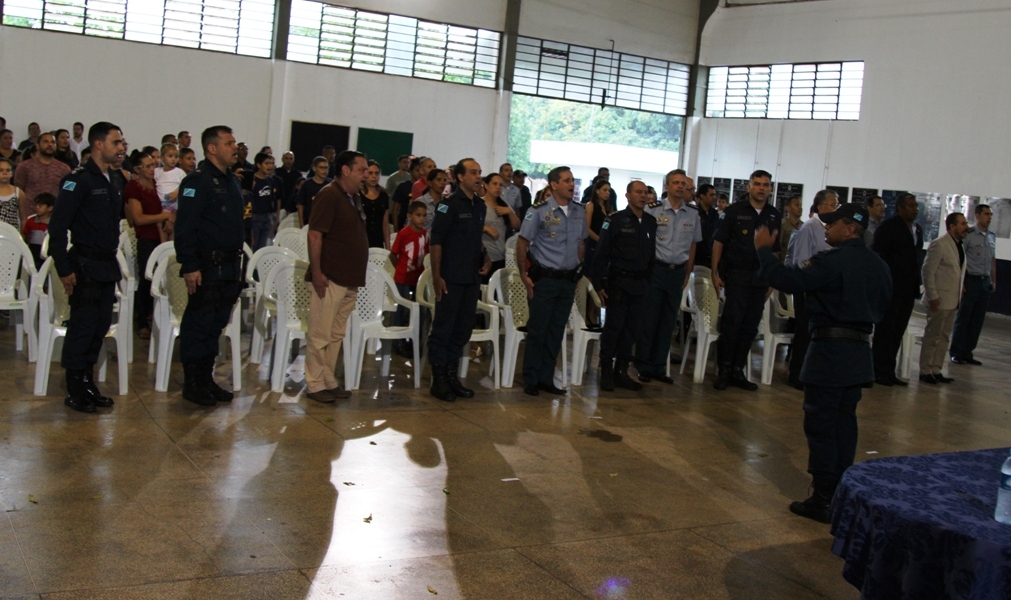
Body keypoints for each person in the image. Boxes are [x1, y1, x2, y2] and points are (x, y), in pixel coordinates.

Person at [754, 203, 892, 523]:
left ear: (849, 229)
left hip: (830, 352)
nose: (826, 228)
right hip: (859, 353)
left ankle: (823, 497)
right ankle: (842, 490)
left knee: (821, 424)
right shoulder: (879, 265)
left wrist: (763, 251)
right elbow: (885, 303)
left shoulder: (832, 261)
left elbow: (786, 279)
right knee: (845, 422)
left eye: (832, 223)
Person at [47, 122, 127, 413]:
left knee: (99, 326)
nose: (122, 148)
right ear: (98, 144)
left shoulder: (115, 178)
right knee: (82, 327)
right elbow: (57, 228)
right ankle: (74, 387)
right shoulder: (78, 179)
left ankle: (87, 381)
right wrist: (64, 269)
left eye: (122, 142)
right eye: (116, 142)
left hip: (106, 264)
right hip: (84, 264)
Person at [174, 125, 246, 406]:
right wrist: (190, 265)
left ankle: (206, 379)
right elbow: (185, 228)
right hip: (206, 267)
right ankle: (193, 383)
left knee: (215, 326)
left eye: (235, 142)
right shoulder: (198, 181)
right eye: (229, 143)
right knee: (199, 325)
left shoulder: (232, 181)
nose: (234, 147)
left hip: (228, 267)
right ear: (212, 148)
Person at [304, 150, 369, 403]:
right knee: (320, 333)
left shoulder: (353, 197)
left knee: (335, 334)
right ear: (345, 170)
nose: (366, 175)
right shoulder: (329, 194)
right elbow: (314, 235)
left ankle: (328, 379)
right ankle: (314, 383)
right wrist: (317, 272)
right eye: (361, 170)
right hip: (330, 277)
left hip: (349, 277)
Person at [516, 166, 587, 396]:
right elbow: (522, 242)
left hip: (568, 280)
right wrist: (523, 274)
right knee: (538, 330)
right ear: (554, 185)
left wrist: (578, 270)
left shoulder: (579, 211)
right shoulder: (538, 211)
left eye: (572, 180)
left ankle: (546, 378)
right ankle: (531, 378)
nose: (571, 184)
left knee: (556, 331)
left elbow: (581, 243)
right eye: (566, 181)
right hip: (545, 279)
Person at [426, 159, 491, 401]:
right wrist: (436, 276)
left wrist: (485, 256)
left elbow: (474, 238)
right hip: (451, 276)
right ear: (460, 177)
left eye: (480, 172)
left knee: (462, 329)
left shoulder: (480, 206)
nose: (478, 176)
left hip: (471, 277)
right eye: (473, 172)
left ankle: (452, 377)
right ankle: (439, 380)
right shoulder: (448, 204)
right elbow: (436, 242)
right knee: (443, 329)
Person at [711, 169, 780, 391]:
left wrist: (772, 278)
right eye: (757, 184)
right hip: (737, 276)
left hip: (760, 278)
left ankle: (738, 371)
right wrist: (715, 272)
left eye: (765, 185)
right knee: (732, 325)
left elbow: (775, 250)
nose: (761, 188)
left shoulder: (773, 215)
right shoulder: (734, 211)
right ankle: (724, 371)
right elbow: (719, 242)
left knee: (750, 327)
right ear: (749, 186)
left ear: (770, 189)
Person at [635, 169, 701, 384]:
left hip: (677, 271)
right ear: (667, 186)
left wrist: (688, 271)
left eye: (683, 183)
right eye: (676, 183)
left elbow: (693, 244)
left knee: (668, 321)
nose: (680, 186)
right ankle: (643, 365)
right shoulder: (653, 209)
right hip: (656, 269)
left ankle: (658, 366)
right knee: (649, 319)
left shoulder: (692, 213)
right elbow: (643, 242)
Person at [591, 180, 657, 391]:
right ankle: (606, 370)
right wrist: (598, 284)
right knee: (614, 328)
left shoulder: (650, 222)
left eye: (645, 192)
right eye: (638, 192)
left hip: (640, 283)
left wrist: (649, 280)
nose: (643, 196)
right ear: (628, 196)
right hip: (619, 282)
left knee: (632, 330)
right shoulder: (615, 220)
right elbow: (601, 253)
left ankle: (622, 370)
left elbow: (651, 255)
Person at [785, 190, 840, 390]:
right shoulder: (809, 227)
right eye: (833, 204)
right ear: (821, 207)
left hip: (824, 290)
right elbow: (801, 261)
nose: (836, 208)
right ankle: (797, 375)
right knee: (805, 333)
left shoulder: (830, 228)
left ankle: (813, 374)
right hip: (808, 289)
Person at [871, 193, 923, 386]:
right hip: (891, 287)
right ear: (900, 208)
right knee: (886, 330)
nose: (915, 209)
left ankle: (889, 370)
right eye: (910, 205)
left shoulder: (917, 229)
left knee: (898, 330)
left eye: (916, 205)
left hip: (908, 289)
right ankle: (877, 370)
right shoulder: (889, 228)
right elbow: (879, 256)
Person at [124, 150, 175, 340]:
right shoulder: (134, 188)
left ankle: (161, 316)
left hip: (164, 235)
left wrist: (169, 219)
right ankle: (142, 321)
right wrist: (163, 216)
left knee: (166, 278)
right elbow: (138, 218)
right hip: (147, 238)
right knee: (147, 279)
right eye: (147, 166)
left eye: (153, 165)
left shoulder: (158, 184)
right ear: (137, 169)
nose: (152, 169)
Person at [919, 212, 968, 384]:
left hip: (953, 299)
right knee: (933, 335)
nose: (966, 227)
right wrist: (933, 295)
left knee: (945, 336)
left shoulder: (959, 245)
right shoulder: (939, 244)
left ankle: (936, 369)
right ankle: (925, 370)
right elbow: (928, 271)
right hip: (939, 299)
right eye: (962, 224)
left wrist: (961, 288)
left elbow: (957, 271)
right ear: (952, 226)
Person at [950, 204, 996, 366]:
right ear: (977, 215)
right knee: (964, 317)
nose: (989, 217)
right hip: (971, 280)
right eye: (986, 214)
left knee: (977, 319)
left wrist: (993, 280)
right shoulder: (969, 235)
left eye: (990, 214)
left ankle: (967, 351)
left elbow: (992, 260)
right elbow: (959, 257)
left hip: (984, 281)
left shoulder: (991, 236)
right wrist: (961, 281)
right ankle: (956, 352)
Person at [391, 200, 429, 356]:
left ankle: (414, 340)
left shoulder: (425, 234)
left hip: (417, 278)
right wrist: (401, 269)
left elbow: (426, 254)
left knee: (419, 309)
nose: (421, 219)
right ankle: (399, 341)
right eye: (418, 215)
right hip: (403, 278)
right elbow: (393, 254)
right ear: (409, 216)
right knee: (402, 309)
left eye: (424, 216)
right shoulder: (403, 233)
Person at [13, 132, 70, 225]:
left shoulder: (65, 168)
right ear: (37, 146)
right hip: (30, 216)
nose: (50, 144)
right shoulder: (24, 167)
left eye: (53, 142)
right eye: (46, 142)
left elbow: (68, 192)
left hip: (55, 216)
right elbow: (18, 191)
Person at [480, 172, 519, 277]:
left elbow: (517, 226)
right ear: (486, 185)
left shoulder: (504, 204)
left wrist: (510, 212)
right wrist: (486, 228)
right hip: (485, 256)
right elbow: (469, 226)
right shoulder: (479, 204)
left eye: (500, 185)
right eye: (494, 184)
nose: (498, 187)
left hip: (501, 255)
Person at [249, 152, 282, 252]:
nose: (270, 166)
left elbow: (272, 199)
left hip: (266, 216)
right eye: (267, 163)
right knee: (253, 246)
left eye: (271, 163)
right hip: (255, 216)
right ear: (259, 165)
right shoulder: (252, 180)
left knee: (262, 248)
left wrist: (273, 217)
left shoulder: (270, 180)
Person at [583, 179, 614, 282]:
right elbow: (587, 228)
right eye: (604, 190)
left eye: (609, 191)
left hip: (605, 245)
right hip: (593, 243)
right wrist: (600, 240)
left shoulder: (608, 207)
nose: (607, 193)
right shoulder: (591, 205)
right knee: (590, 274)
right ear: (597, 191)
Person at [361, 159, 391, 249]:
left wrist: (388, 248)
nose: (374, 176)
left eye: (376, 173)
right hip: (361, 239)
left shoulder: (383, 195)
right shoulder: (357, 194)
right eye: (370, 173)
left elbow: (385, 224)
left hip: (378, 240)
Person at [155, 143, 186, 227]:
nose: (173, 159)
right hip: (159, 203)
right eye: (170, 156)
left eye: (176, 157)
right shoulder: (157, 171)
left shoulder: (179, 172)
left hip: (173, 203)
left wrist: (178, 192)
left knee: (164, 222)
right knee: (159, 223)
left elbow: (189, 190)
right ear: (162, 157)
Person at [296, 156, 332, 228]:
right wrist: (301, 224)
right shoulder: (307, 184)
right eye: (321, 168)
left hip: (327, 221)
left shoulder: (331, 184)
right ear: (314, 168)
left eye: (326, 168)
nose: (324, 170)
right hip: (309, 221)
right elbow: (300, 205)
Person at [22, 192, 53, 269]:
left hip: (47, 251)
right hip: (33, 250)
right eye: (36, 205)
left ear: (50, 208)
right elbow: (27, 236)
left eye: (41, 206)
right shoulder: (30, 221)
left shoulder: (53, 223)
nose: (37, 207)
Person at [392, 157, 425, 229]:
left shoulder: (427, 187)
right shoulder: (403, 186)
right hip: (404, 223)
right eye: (417, 170)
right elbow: (395, 208)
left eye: (421, 170)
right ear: (410, 171)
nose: (420, 173)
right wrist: (395, 227)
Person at [694, 183, 720, 269]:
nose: (714, 198)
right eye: (711, 195)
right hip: (696, 257)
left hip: (710, 257)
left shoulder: (715, 214)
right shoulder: (694, 212)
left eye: (715, 195)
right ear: (702, 196)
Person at [0, 157, 25, 229]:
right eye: (1, 170)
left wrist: (22, 234)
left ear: (12, 173)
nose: (5, 173)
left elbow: (23, 218)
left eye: (8, 170)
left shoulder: (18, 193)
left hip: (12, 232)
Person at [778, 195, 803, 262]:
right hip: (785, 263)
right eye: (797, 205)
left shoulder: (803, 226)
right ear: (788, 208)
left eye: (801, 205)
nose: (800, 208)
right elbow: (777, 248)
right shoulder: (782, 225)